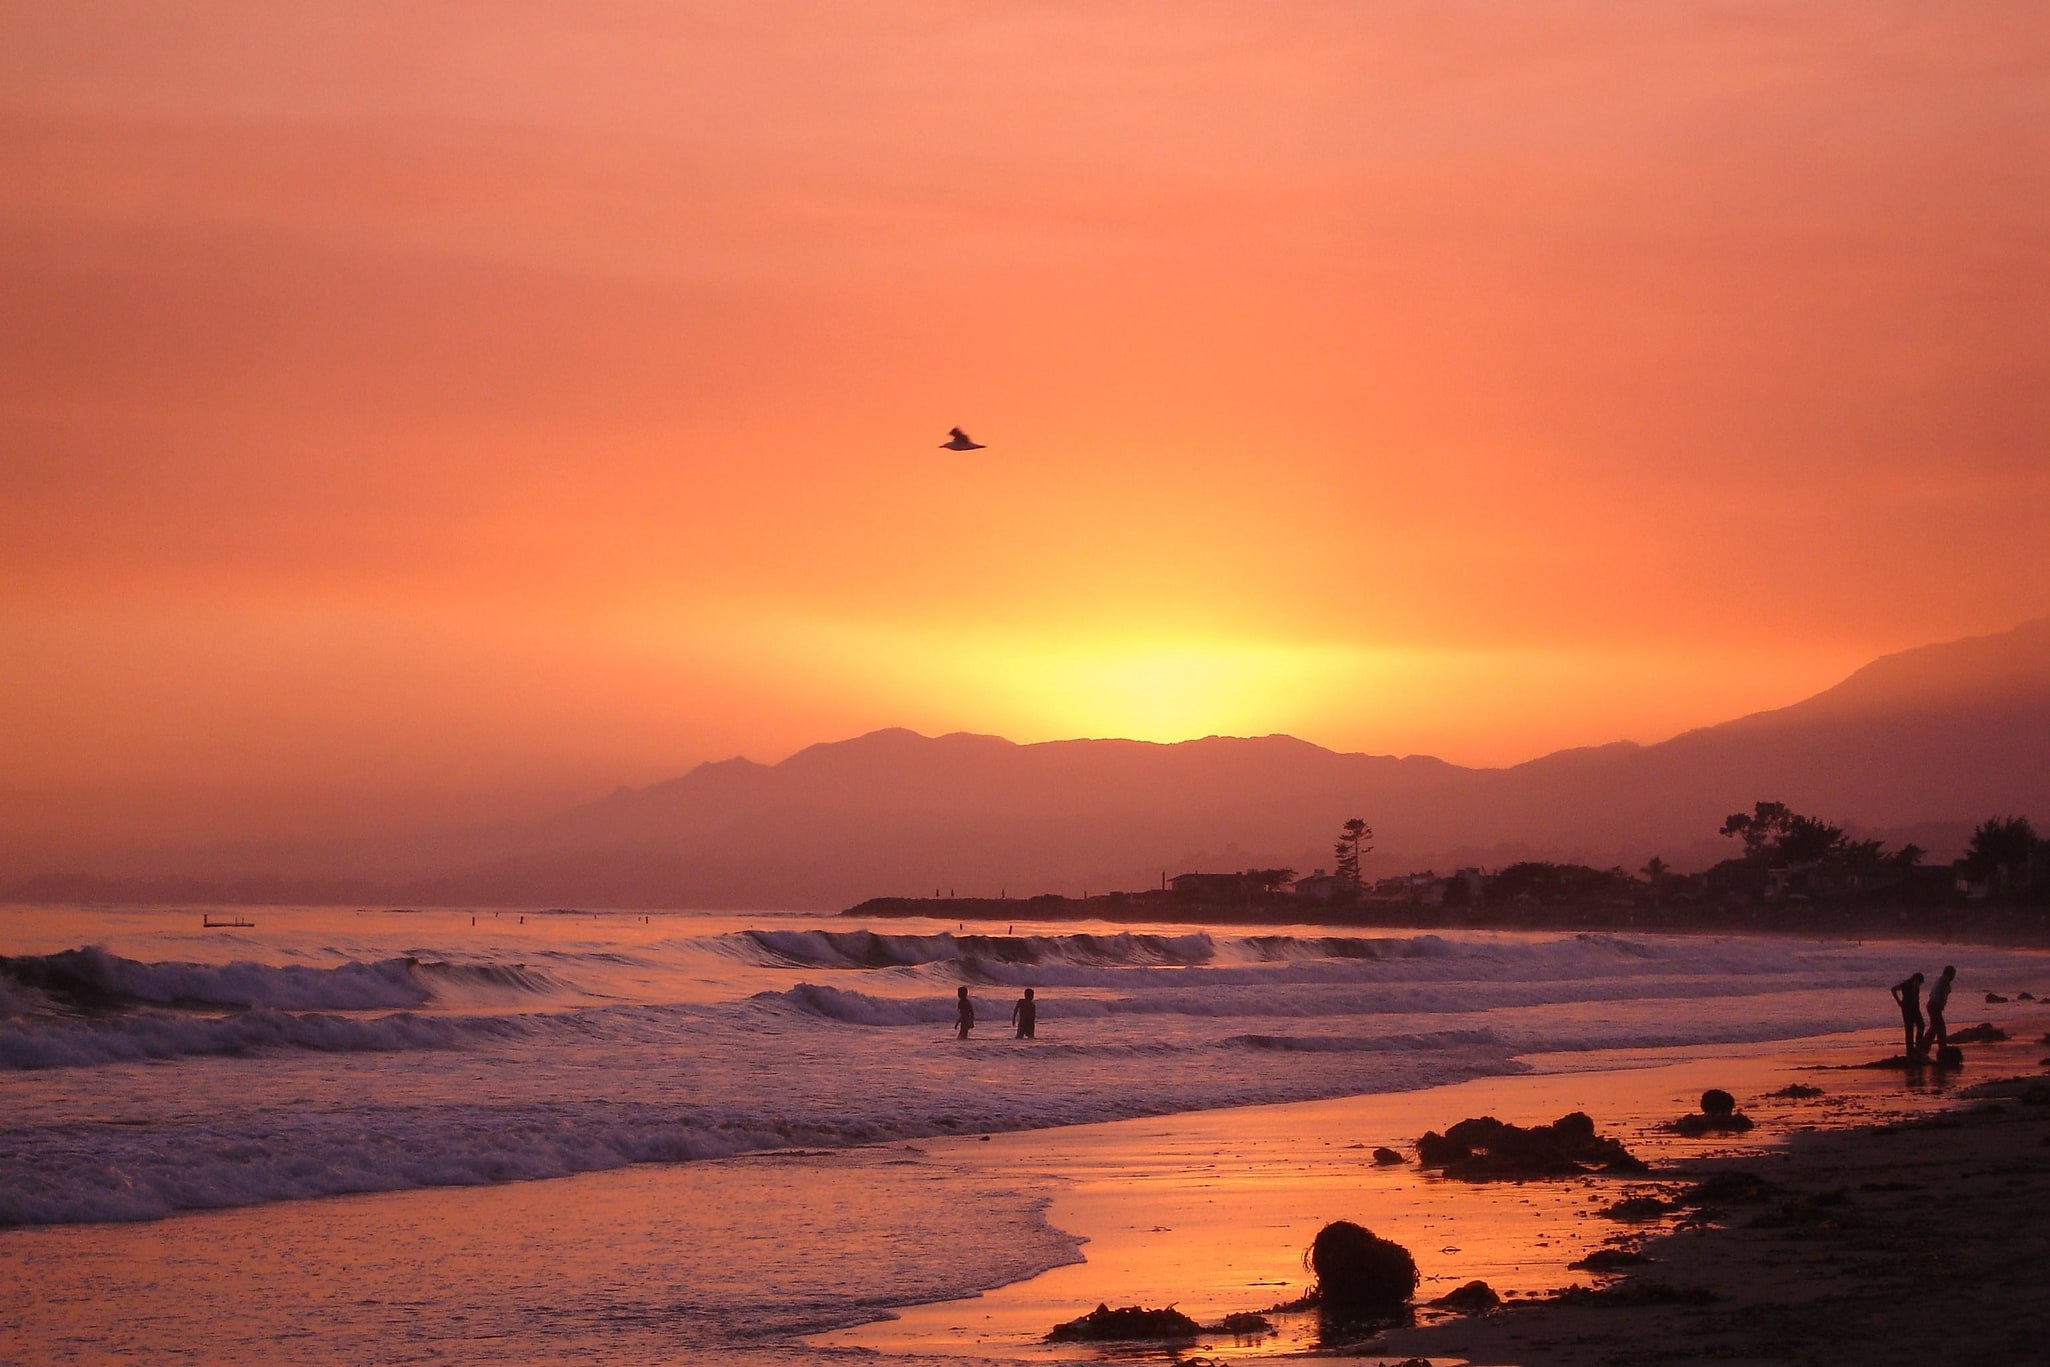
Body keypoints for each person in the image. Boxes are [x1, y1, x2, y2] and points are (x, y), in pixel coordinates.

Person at [1890, 971, 1926, 1056]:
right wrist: (1898, 1001)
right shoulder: (1906, 984)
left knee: (1920, 1026)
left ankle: (1917, 1047)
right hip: (1907, 1008)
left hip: (1913, 1008)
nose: (1919, 985)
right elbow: (1893, 989)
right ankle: (1911, 1050)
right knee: (1910, 1029)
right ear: (1916, 979)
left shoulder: (1911, 985)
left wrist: (1899, 1002)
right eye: (1919, 982)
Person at [1922, 965, 1956, 1054]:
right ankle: (1942, 1050)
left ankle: (1925, 1049)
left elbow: (1931, 994)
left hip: (1932, 1005)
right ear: (1951, 973)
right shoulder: (1945, 981)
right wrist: (1940, 1005)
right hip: (1935, 1006)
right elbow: (1942, 994)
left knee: (1935, 1028)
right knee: (1939, 1029)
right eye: (1953, 974)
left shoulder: (1940, 980)